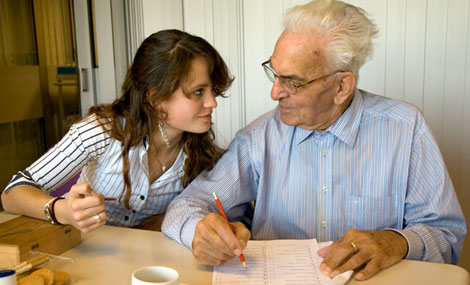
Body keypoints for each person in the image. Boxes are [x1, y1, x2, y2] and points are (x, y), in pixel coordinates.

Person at [162, 0, 466, 281]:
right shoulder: (260, 137)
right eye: (274, 74)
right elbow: (186, 205)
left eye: (293, 82)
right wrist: (198, 232)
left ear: (342, 86)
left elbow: (447, 235)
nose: (275, 93)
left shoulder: (406, 129)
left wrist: (396, 241)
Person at [1, 29, 233, 234]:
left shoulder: (201, 155)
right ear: (155, 97)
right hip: (81, 251)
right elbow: (12, 193)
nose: (212, 102)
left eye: (212, 89)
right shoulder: (100, 131)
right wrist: (60, 210)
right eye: (198, 91)